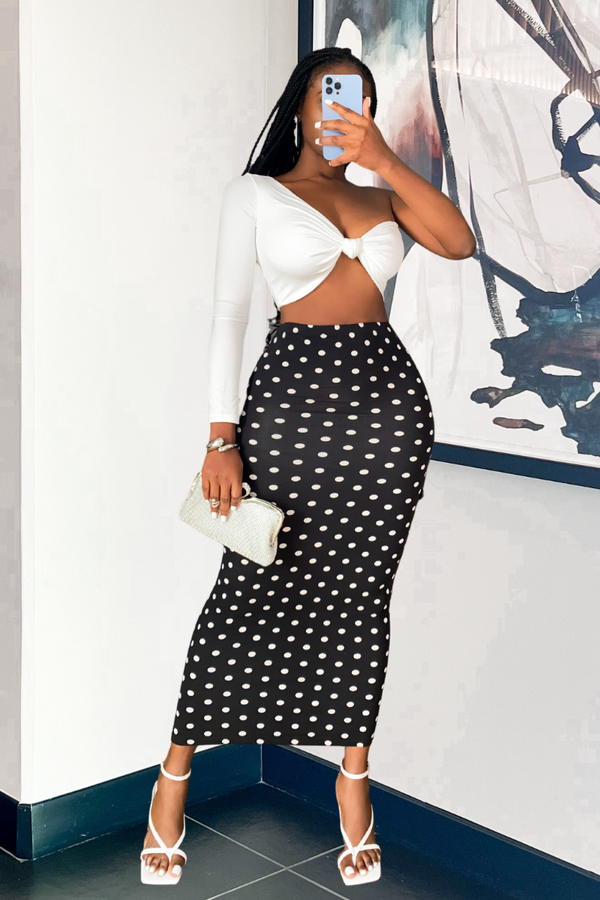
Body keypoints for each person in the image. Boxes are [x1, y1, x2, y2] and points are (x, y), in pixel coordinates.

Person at [140, 46, 475, 887]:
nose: (342, 110)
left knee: (361, 595)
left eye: (358, 99)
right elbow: (228, 314)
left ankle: (352, 778)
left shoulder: (383, 193)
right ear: (299, 105)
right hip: (289, 406)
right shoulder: (254, 194)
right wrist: (220, 437)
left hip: (386, 414)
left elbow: (458, 242)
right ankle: (175, 774)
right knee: (249, 587)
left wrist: (384, 159)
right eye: (329, 95)